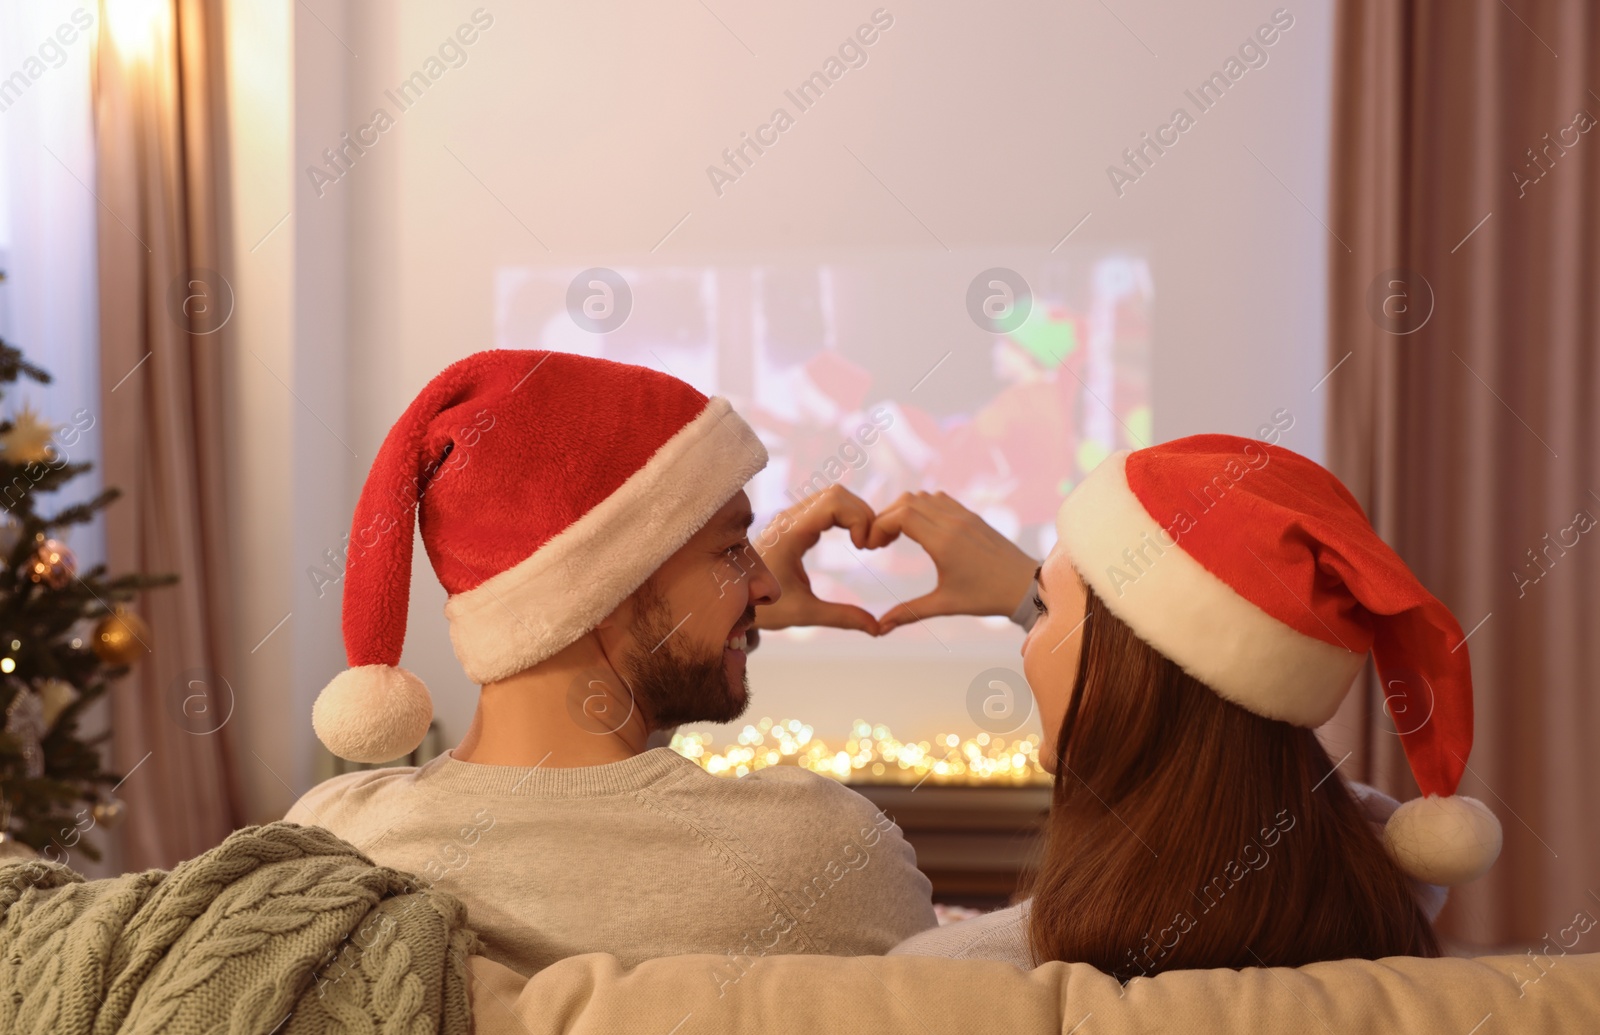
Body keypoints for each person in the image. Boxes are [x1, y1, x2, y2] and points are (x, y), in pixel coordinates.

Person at [281, 350, 1038, 980]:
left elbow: (596, 790)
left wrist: (713, 598)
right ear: (603, 585)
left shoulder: (334, 839)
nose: (767, 582)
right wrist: (1035, 600)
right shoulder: (822, 851)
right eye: (732, 548)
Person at [889, 434, 1504, 975]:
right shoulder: (1390, 922)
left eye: (1043, 609)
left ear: (1127, 674)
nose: (1027, 643)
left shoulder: (956, 979)